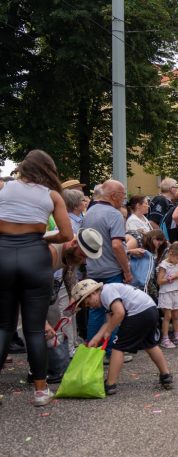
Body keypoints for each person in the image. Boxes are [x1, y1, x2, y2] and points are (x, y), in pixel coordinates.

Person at [0, 150, 73, 406]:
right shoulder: (52, 195)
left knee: (4, 326)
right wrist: (43, 237)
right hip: (35, 257)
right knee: (34, 328)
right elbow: (66, 235)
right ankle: (41, 391)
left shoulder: (4, 189)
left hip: (3, 256)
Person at [71, 279, 173, 395]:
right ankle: (166, 375)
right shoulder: (108, 295)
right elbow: (109, 321)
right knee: (149, 344)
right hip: (150, 310)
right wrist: (97, 338)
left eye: (88, 303)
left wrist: (109, 331)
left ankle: (110, 384)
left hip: (137, 313)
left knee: (118, 347)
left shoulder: (106, 292)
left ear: (93, 293)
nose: (91, 307)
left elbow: (119, 313)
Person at [81, 179, 132, 361]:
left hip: (93, 269)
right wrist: (126, 270)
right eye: (123, 195)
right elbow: (117, 245)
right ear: (113, 196)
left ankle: (93, 351)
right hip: (111, 269)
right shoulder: (114, 214)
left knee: (95, 312)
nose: (124, 200)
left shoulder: (90, 212)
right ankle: (111, 351)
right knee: (114, 311)